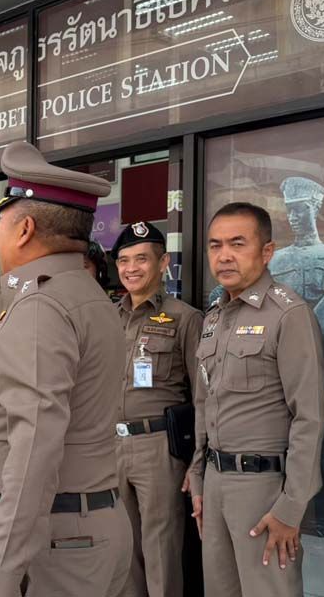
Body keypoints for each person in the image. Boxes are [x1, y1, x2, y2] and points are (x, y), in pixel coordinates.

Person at [0, 141, 131, 596]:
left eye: (1, 221)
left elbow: (35, 452)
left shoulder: (41, 304)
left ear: (24, 229)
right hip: (81, 528)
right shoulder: (81, 293)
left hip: (56, 543)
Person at [187, 202, 324, 597]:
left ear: (266, 252)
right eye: (215, 245)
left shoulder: (288, 314)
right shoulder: (213, 319)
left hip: (264, 490)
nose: (224, 255)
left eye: (237, 244)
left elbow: (309, 418)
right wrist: (199, 478)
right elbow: (204, 403)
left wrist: (291, 507)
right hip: (215, 484)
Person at [111, 222, 202, 597]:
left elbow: (203, 396)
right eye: (123, 260)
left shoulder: (185, 318)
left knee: (160, 550)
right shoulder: (107, 317)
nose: (131, 268)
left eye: (141, 259)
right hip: (111, 446)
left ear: (163, 263)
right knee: (121, 550)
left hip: (158, 448)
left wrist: (198, 460)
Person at [267, 177, 324, 542]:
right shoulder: (276, 260)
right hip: (281, 363)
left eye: (300, 210)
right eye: (289, 211)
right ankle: (286, 511)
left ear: (315, 209)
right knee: (282, 435)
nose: (294, 217)